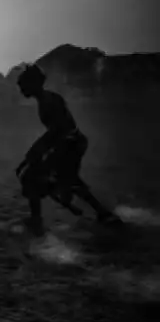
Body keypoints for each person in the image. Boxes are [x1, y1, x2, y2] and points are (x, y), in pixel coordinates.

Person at [14, 64, 122, 235]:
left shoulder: (48, 101)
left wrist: (37, 150)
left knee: (54, 179)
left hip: (71, 144)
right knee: (59, 179)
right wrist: (36, 152)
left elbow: (59, 129)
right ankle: (101, 212)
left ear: (33, 83)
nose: (20, 89)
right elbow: (55, 132)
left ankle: (102, 213)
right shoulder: (46, 99)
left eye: (22, 85)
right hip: (67, 143)